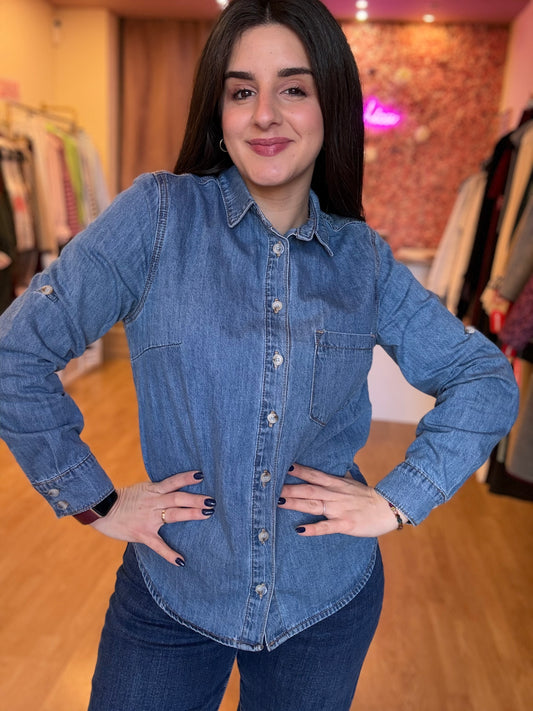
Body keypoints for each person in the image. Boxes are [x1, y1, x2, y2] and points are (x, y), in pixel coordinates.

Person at [0, 1, 519, 709]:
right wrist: (95, 501)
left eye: (293, 89)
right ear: (218, 113)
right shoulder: (156, 218)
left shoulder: (361, 260)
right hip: (174, 588)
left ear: (331, 108)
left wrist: (399, 500)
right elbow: (16, 352)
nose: (265, 114)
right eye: (241, 91)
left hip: (325, 602)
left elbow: (484, 376)